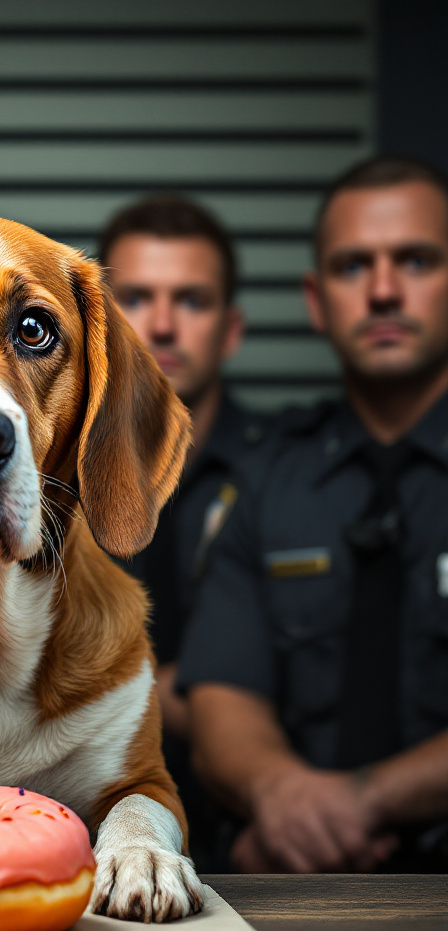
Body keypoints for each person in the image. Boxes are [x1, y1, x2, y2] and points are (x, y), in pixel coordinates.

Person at [180, 155, 448, 873]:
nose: (385, 291)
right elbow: (222, 694)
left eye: (416, 261)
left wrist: (363, 800)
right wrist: (282, 795)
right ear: (316, 298)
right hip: (300, 878)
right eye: (353, 267)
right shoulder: (266, 478)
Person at [99, 196, 269, 869]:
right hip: (70, 837)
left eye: (191, 301)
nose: (163, 326)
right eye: (136, 298)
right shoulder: (42, 478)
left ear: (230, 331)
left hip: (255, 844)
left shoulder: (284, 472)